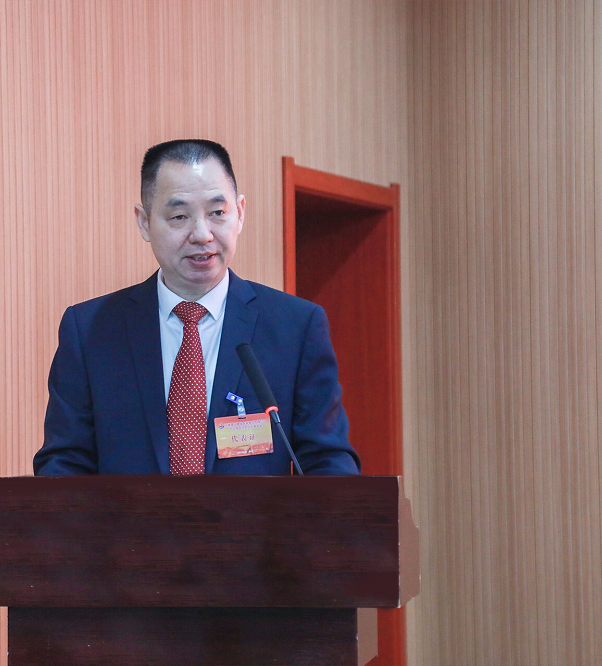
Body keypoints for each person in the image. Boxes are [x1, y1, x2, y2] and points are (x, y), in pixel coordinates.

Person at [33, 139, 360, 476]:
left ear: (240, 213)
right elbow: (63, 463)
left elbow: (329, 462)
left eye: (217, 213)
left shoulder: (296, 327)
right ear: (144, 222)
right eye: (179, 216)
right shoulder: (90, 331)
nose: (202, 234)